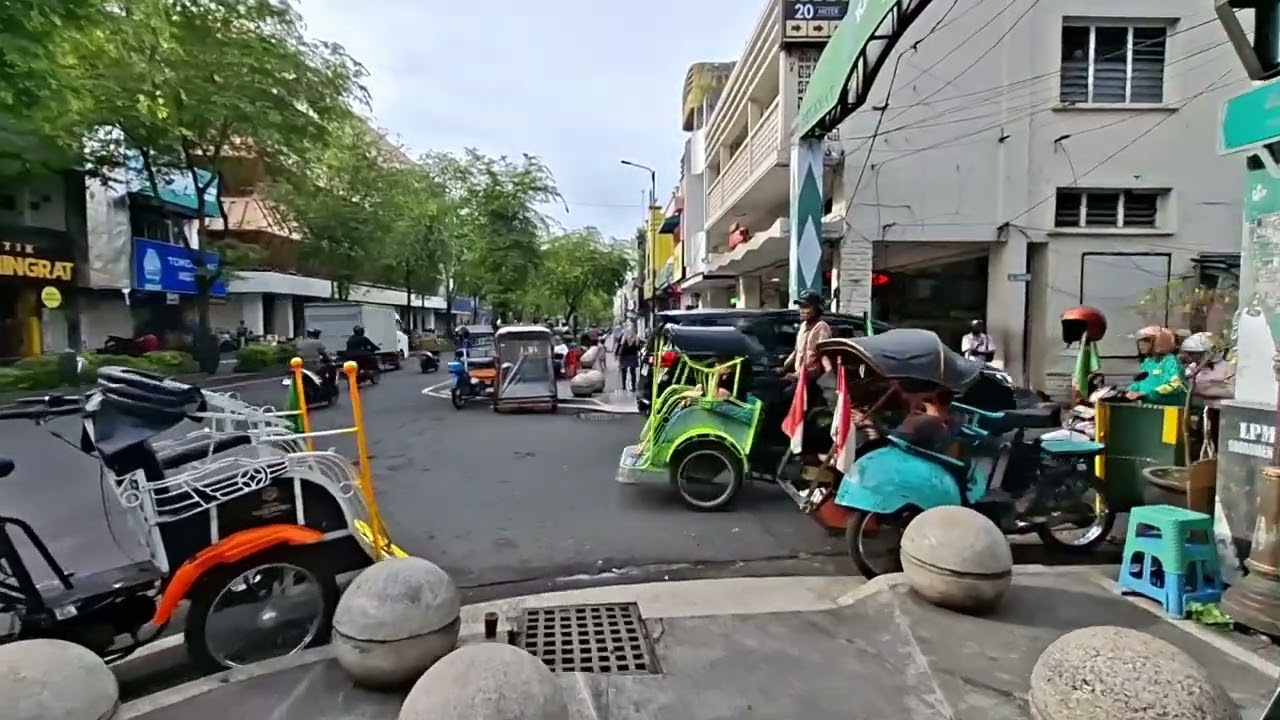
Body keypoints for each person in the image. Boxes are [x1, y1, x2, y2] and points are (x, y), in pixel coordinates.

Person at [780, 291, 832, 408]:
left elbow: (818, 358)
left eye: (806, 307)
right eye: (801, 307)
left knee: (786, 397)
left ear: (817, 309)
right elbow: (797, 350)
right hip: (798, 376)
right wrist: (784, 367)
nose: (802, 311)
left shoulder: (821, 328)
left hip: (812, 380)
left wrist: (796, 376)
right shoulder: (803, 326)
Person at [1126, 326, 1185, 405]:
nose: (1141, 345)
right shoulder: (1147, 362)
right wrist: (1130, 390)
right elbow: (1140, 382)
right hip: (1147, 406)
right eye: (1140, 341)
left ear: (1160, 342)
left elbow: (1176, 385)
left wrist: (1149, 393)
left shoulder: (1171, 361)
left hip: (1168, 409)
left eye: (1146, 341)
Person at [1181, 331, 1232, 398]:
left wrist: (1202, 390)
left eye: (1192, 353)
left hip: (1218, 407)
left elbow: (1231, 392)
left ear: (1209, 352)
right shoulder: (1192, 368)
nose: (1189, 357)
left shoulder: (1228, 368)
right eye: (1187, 353)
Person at [616, 325, 642, 392]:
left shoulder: (624, 337)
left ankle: (624, 386)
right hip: (633, 356)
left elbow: (620, 347)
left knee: (624, 371)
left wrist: (618, 355)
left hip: (625, 356)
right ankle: (633, 387)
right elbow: (638, 348)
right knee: (633, 372)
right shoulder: (636, 338)